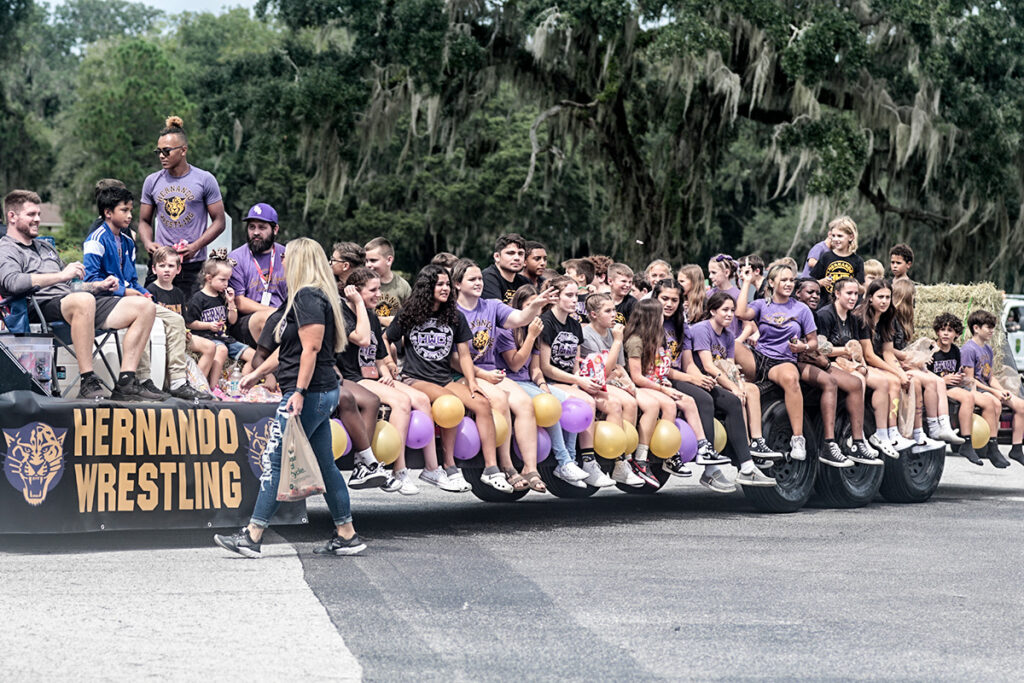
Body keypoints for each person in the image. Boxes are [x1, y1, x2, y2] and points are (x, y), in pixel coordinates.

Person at [215, 237, 366, 558]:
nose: (282, 263)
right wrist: (256, 374)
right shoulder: (310, 296)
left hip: (309, 392)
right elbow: (291, 348)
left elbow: (311, 348)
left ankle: (252, 535)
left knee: (274, 460)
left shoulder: (309, 297)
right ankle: (347, 534)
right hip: (320, 391)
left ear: (299, 262)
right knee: (325, 464)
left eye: (287, 258)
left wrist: (297, 391)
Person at [0, 190, 159, 401]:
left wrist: (97, 286)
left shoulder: (45, 247)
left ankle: (126, 382)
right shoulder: (6, 248)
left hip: (73, 303)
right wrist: (60, 276)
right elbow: (11, 283)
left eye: (38, 214)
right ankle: (87, 380)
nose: (38, 219)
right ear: (12, 217)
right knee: (83, 301)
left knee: (143, 306)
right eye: (31, 214)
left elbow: (70, 285)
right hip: (37, 307)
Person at [385, 264, 511, 492]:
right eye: (439, 284)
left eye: (447, 284)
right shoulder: (410, 313)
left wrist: (472, 383)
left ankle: (491, 470)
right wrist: (390, 362)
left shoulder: (454, 316)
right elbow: (386, 338)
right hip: (415, 378)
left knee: (482, 403)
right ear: (427, 287)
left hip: (444, 378)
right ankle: (449, 465)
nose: (445, 288)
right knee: (452, 404)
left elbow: (464, 355)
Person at [338, 267, 463, 494]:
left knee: (423, 400)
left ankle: (432, 469)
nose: (379, 294)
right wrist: (357, 303)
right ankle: (400, 470)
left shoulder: (372, 315)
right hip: (352, 378)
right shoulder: (342, 314)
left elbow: (378, 356)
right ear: (355, 292)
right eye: (373, 290)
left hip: (373, 376)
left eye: (379, 289)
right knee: (401, 402)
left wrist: (387, 375)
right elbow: (363, 340)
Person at [84, 186, 208, 400]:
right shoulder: (95, 240)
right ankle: (140, 379)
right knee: (144, 311)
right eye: (124, 210)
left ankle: (178, 381)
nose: (130, 215)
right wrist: (127, 292)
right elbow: (91, 282)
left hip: (130, 301)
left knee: (176, 320)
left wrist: (143, 293)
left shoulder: (128, 241)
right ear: (108, 212)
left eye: (131, 210)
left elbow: (133, 279)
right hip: (104, 303)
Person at [453, 259, 557, 492]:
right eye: (472, 279)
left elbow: (520, 319)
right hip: (464, 373)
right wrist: (482, 375)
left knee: (524, 403)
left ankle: (530, 468)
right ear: (458, 283)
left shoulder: (492, 305)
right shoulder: (451, 311)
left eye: (480, 278)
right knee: (499, 399)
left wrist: (536, 306)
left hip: (491, 371)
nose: (479, 282)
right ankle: (507, 465)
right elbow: (453, 357)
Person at [497, 285, 611, 488]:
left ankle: (571, 461)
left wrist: (542, 385)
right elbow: (515, 364)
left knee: (575, 402)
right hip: (511, 382)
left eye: (539, 308)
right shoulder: (507, 332)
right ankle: (564, 460)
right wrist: (531, 336)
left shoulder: (536, 331)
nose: (535, 313)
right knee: (552, 405)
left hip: (530, 382)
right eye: (530, 307)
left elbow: (535, 370)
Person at [623, 298, 735, 489]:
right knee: (669, 403)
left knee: (689, 401)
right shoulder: (635, 341)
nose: (663, 319)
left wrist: (664, 380)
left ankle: (703, 447)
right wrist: (663, 388)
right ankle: (662, 454)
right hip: (640, 386)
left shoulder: (658, 338)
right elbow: (637, 377)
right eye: (659, 315)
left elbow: (660, 368)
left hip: (656, 382)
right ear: (650, 317)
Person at [538, 276, 632, 483]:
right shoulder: (546, 323)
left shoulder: (574, 324)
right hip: (549, 381)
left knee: (609, 402)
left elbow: (575, 361)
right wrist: (578, 383)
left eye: (575, 295)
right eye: (569, 296)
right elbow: (545, 367)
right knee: (585, 401)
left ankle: (619, 461)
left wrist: (579, 380)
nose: (575, 300)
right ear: (555, 298)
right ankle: (578, 461)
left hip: (571, 380)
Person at [689, 292, 778, 487]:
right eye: (725, 310)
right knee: (736, 398)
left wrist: (738, 384)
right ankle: (744, 448)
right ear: (712, 311)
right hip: (706, 379)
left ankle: (756, 442)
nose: (730, 315)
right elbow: (708, 366)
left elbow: (729, 365)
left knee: (752, 390)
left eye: (732, 310)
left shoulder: (729, 335)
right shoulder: (701, 330)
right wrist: (733, 389)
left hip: (723, 378)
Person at [735, 263, 820, 462]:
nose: (789, 284)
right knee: (733, 345)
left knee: (791, 378)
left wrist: (803, 347)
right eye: (784, 280)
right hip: (759, 358)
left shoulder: (802, 309)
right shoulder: (762, 304)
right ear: (771, 283)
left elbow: (814, 342)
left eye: (791, 280)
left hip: (782, 361)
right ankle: (736, 383)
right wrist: (747, 282)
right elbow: (740, 313)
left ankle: (798, 438)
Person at [139, 116, 225, 294]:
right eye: (158, 152)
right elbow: (144, 221)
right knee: (151, 312)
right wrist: (148, 243)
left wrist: (195, 247)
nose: (162, 156)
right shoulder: (152, 181)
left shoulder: (204, 179)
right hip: (161, 264)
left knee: (189, 317)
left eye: (167, 151)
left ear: (183, 150)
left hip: (192, 265)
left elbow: (219, 222)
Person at [582, 293, 657, 487]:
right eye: (608, 311)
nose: (614, 314)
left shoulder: (610, 332)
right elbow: (603, 371)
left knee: (631, 402)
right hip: (596, 383)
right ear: (593, 314)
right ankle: (618, 459)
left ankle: (625, 460)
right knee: (619, 403)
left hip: (612, 381)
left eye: (614, 309)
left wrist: (629, 383)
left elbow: (619, 367)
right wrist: (617, 341)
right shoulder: (587, 335)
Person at [811, 278, 889, 464]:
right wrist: (845, 351)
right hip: (828, 363)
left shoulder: (853, 318)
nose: (854, 297)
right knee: (858, 380)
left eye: (856, 294)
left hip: (849, 363)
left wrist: (858, 361)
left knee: (883, 382)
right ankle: (857, 438)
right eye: (849, 293)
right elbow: (821, 348)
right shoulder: (825, 315)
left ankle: (882, 433)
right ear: (837, 294)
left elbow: (857, 349)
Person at [890, 278, 963, 451]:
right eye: (913, 298)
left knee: (937, 381)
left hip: (905, 361)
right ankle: (931, 427)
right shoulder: (892, 321)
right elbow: (888, 349)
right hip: (897, 363)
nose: (915, 302)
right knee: (932, 381)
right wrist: (912, 357)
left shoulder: (904, 322)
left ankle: (942, 427)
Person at [853, 279, 919, 453]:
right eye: (880, 297)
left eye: (887, 297)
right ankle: (881, 433)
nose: (884, 301)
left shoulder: (887, 317)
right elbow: (869, 355)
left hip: (876, 362)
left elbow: (888, 352)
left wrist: (899, 373)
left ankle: (893, 432)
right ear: (870, 298)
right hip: (862, 362)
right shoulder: (862, 318)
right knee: (889, 380)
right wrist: (896, 373)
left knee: (896, 382)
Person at [147, 246, 218, 396]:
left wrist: (187, 332)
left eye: (171, 266)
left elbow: (184, 321)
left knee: (210, 347)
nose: (166, 269)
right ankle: (179, 383)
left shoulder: (179, 293)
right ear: (154, 269)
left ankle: (197, 386)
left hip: (181, 336)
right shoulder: (150, 291)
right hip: (162, 338)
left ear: (178, 270)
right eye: (162, 265)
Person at [960, 309, 1024, 467]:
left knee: (1021, 405)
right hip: (976, 389)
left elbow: (990, 376)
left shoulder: (988, 349)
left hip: (987, 388)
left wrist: (1001, 390)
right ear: (976, 328)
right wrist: (993, 392)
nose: (992, 331)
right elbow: (970, 380)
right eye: (988, 327)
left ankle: (1016, 448)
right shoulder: (968, 349)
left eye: (993, 327)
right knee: (994, 403)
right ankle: (992, 447)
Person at [184, 253, 256, 391]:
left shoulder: (223, 297)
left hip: (225, 338)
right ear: (209, 278)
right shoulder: (198, 298)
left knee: (254, 356)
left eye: (228, 280)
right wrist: (208, 326)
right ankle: (213, 387)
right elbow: (189, 323)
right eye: (223, 279)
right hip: (208, 338)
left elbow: (232, 321)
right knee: (221, 350)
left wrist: (231, 303)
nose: (226, 284)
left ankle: (239, 386)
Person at [227, 203, 287, 351]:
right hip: (248, 320)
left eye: (262, 227)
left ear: (275, 230)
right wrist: (274, 312)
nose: (255, 232)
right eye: (251, 227)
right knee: (266, 320)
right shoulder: (236, 258)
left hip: (283, 317)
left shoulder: (287, 254)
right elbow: (239, 301)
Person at [929, 313, 984, 465]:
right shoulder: (931, 349)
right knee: (967, 398)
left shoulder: (955, 351)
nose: (945, 333)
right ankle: (966, 441)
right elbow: (923, 373)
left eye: (950, 330)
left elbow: (957, 370)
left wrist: (958, 377)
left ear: (957, 334)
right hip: (934, 388)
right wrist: (942, 379)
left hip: (951, 386)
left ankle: (967, 440)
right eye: (942, 329)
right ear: (937, 331)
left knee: (970, 396)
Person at [707, 254, 755, 379]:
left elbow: (748, 326)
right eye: (709, 273)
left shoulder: (739, 295)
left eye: (713, 272)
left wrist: (737, 342)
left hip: (732, 347)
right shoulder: (709, 295)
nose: (710, 276)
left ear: (726, 272)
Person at [810, 216, 865, 304]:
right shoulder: (826, 257)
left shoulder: (858, 260)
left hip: (848, 308)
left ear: (851, 237)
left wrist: (855, 285)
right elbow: (811, 283)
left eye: (840, 236)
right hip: (826, 305)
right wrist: (821, 282)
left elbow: (862, 290)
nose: (836, 239)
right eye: (833, 236)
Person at [364, 236, 411, 321]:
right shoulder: (362, 284)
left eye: (373, 260)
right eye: (366, 261)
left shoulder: (402, 286)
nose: (368, 265)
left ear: (389, 260)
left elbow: (409, 316)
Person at [481, 233, 530, 303]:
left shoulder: (525, 282)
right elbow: (497, 310)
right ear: (497, 257)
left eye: (520, 254)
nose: (517, 258)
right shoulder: (487, 278)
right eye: (511, 253)